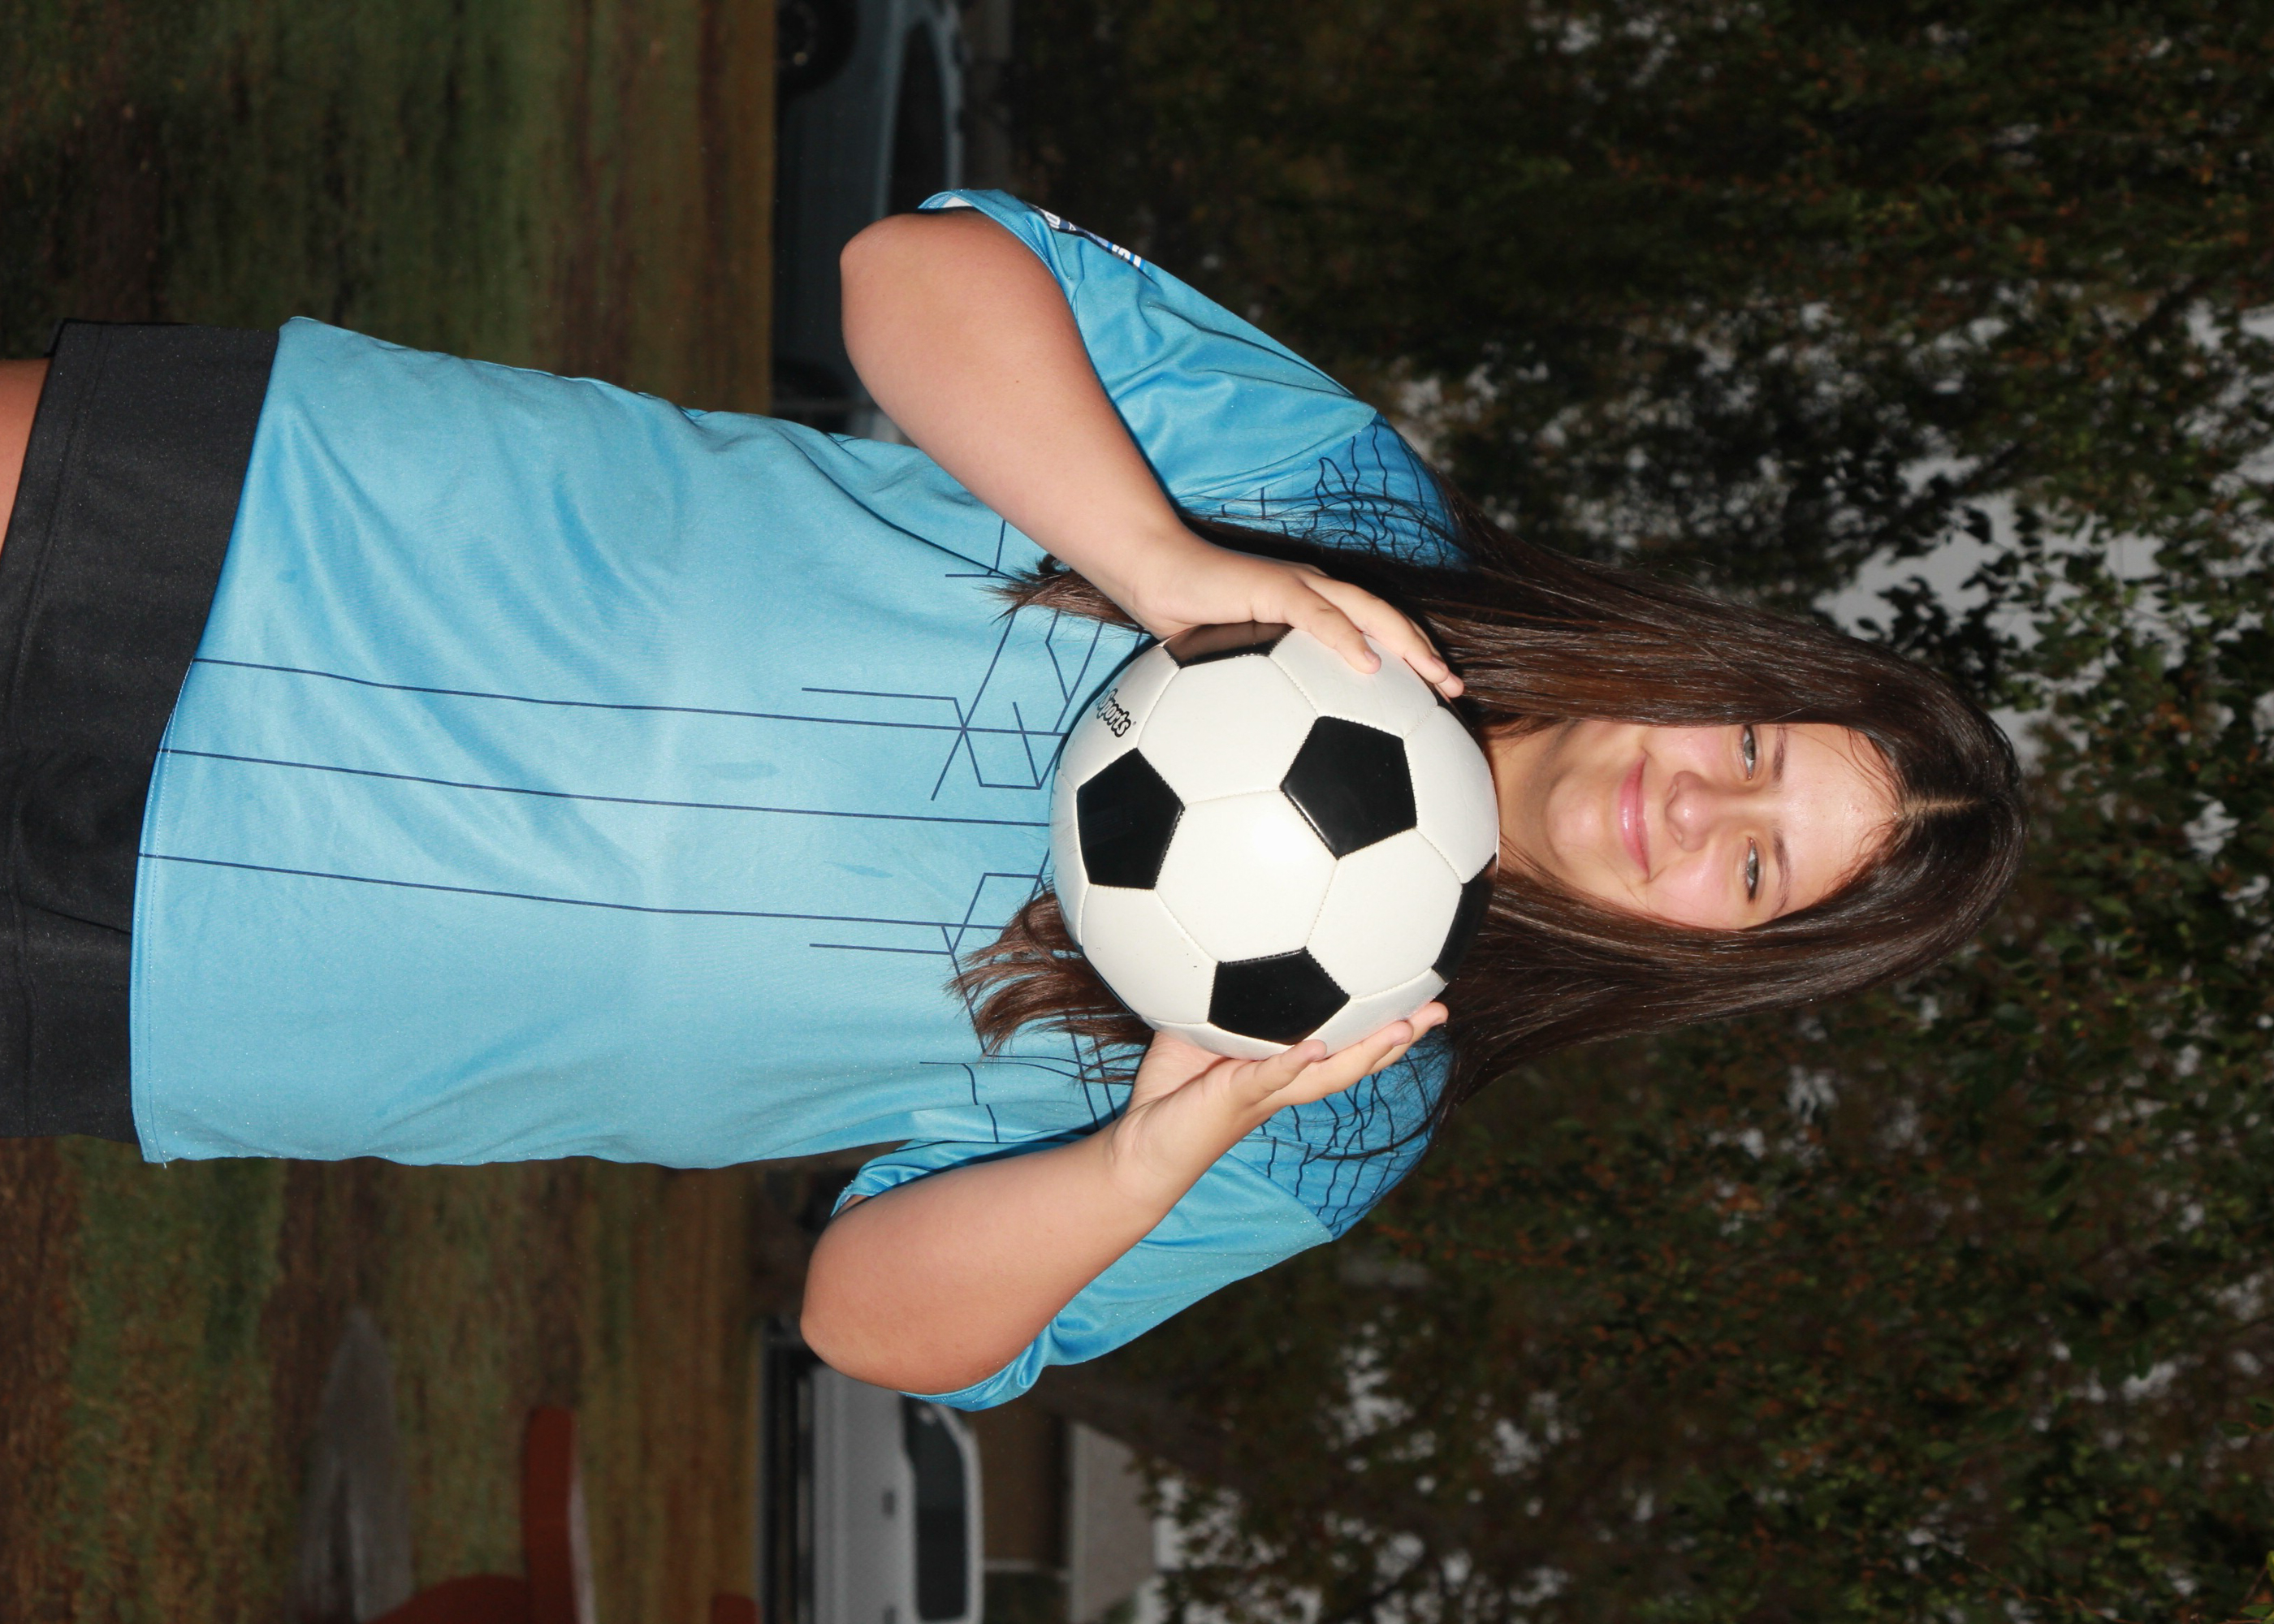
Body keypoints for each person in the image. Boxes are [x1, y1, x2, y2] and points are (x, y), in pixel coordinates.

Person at [0, 192, 2024, 1407]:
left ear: (1713, 954)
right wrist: (1167, 565)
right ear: (1710, 665)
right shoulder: (1344, 504)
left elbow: (869, 1324)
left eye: (1755, 872)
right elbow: (913, 268)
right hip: (335, 534)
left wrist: (1140, 1162)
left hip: (252, 977)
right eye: (1751, 748)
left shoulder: (1337, 1109)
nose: (1694, 808)